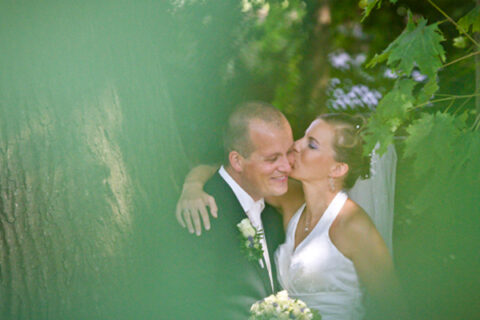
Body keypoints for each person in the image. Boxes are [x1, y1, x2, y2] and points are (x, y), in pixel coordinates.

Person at [177, 113, 407, 319]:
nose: (296, 145)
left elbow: (394, 307)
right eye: (304, 136)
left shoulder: (353, 224)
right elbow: (234, 170)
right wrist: (192, 186)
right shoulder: (289, 199)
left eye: (312, 145)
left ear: (337, 169)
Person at [178, 101, 294, 319]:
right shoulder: (202, 213)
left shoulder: (272, 218)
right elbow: (189, 303)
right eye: (273, 158)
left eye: (289, 153)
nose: (287, 166)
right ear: (237, 161)